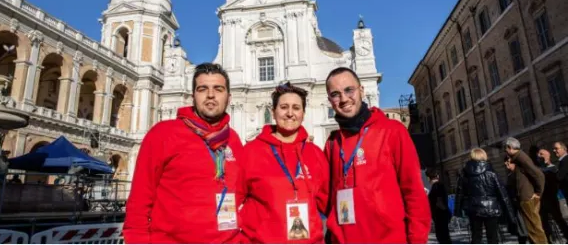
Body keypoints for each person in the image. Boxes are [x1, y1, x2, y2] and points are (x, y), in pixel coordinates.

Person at [124, 63, 244, 243]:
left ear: (229, 97)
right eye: (203, 89)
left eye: (218, 89)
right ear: (193, 96)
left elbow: (242, 192)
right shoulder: (163, 133)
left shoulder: (233, 139)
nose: (211, 95)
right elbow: (139, 200)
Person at [322, 67, 430, 243]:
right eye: (335, 94)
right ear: (329, 100)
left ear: (361, 90)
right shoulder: (332, 143)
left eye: (349, 90)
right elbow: (323, 197)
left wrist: (417, 240)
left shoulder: (393, 131)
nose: (343, 99)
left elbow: (414, 192)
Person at [238, 82, 329, 243]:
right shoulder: (250, 152)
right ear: (273, 112)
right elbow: (233, 200)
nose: (289, 113)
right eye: (284, 107)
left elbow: (327, 203)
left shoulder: (315, 153)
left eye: (296, 107)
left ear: (303, 113)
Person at [454, 148, 515, 244]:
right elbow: (503, 194)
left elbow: (459, 193)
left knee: (476, 237)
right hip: (491, 208)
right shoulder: (492, 173)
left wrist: (457, 212)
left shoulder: (464, 174)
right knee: (493, 237)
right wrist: (511, 215)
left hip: (473, 208)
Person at [505, 137, 547, 244]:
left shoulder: (521, 158)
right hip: (525, 197)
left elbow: (539, 175)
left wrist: (538, 193)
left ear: (510, 147)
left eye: (506, 148)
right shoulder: (518, 158)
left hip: (528, 198)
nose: (505, 151)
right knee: (532, 230)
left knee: (535, 230)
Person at [537, 148, 568, 243]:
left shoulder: (553, 168)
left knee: (560, 221)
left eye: (541, 154)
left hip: (552, 199)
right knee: (545, 224)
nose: (539, 156)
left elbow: (556, 185)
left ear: (547, 156)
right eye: (538, 154)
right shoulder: (538, 169)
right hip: (542, 201)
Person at [504, 156, 529, 244]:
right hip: (516, 206)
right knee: (521, 231)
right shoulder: (510, 174)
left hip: (524, 204)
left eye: (508, 161)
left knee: (527, 230)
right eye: (505, 162)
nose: (506, 163)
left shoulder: (521, 172)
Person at [425, 168, 452, 244]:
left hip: (438, 214)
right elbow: (439, 201)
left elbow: (437, 202)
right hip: (440, 214)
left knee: (441, 236)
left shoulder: (433, 186)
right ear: (437, 176)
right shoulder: (439, 185)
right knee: (444, 236)